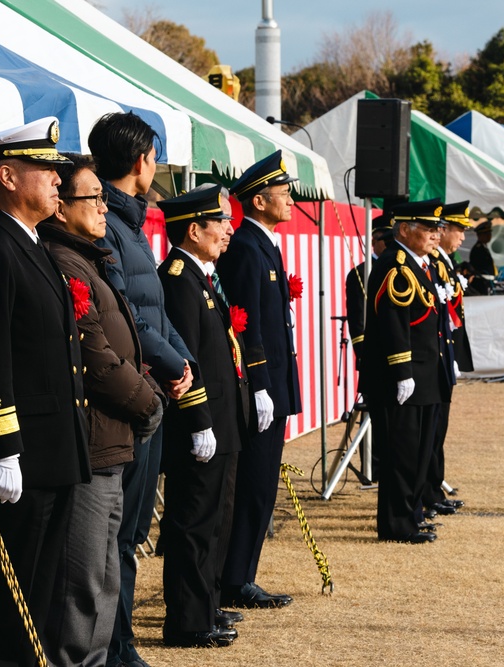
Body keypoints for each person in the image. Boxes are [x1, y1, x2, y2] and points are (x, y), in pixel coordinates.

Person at [0, 117, 91, 667]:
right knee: (6, 597)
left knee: (34, 593)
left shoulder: (29, 243)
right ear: (7, 176)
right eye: (46, 169)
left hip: (51, 450)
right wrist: (1, 449)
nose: (59, 179)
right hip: (21, 455)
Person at [39, 154, 163, 667]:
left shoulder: (88, 256)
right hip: (92, 439)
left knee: (106, 577)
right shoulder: (65, 261)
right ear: (61, 207)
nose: (103, 208)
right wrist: (147, 400)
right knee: (83, 586)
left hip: (110, 440)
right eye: (92, 197)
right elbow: (96, 354)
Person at [88, 111, 193, 667]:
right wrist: (172, 360)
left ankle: (121, 644)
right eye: (154, 156)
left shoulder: (129, 224)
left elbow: (154, 309)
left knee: (129, 533)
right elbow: (126, 311)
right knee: (119, 534)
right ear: (140, 161)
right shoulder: (107, 223)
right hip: (129, 394)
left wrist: (182, 359)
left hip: (148, 385)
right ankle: (116, 648)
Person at [156, 185, 250, 648]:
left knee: (218, 519)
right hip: (201, 424)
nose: (229, 231)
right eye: (221, 223)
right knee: (193, 523)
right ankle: (188, 621)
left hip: (223, 422)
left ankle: (207, 605)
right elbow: (183, 360)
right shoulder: (177, 277)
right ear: (193, 230)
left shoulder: (202, 275)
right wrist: (198, 422)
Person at [212, 150, 301, 610]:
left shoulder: (263, 244)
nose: (291, 201)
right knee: (252, 485)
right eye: (283, 194)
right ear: (260, 201)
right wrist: (260, 384)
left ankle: (242, 573)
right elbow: (246, 325)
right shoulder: (247, 247)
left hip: (275, 384)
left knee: (262, 484)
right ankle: (235, 578)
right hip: (260, 386)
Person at [361, 200, 452, 544]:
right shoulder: (395, 265)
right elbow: (393, 322)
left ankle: (412, 516)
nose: (435, 235)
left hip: (426, 373)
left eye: (437, 229)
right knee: (402, 453)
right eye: (428, 229)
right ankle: (397, 524)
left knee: (418, 452)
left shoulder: (419, 265)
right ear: (404, 230)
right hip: (402, 376)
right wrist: (402, 371)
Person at [420, 201, 473, 519]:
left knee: (438, 431)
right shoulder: (435, 262)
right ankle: (428, 491)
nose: (460, 237)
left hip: (445, 352)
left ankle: (432, 489)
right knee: (432, 431)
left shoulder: (443, 261)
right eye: (458, 230)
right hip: (436, 353)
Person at [346, 218, 392, 366]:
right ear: (373, 242)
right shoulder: (361, 272)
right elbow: (357, 317)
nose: (387, 244)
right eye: (383, 239)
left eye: (391, 239)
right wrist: (363, 353)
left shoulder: (398, 268)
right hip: (374, 351)